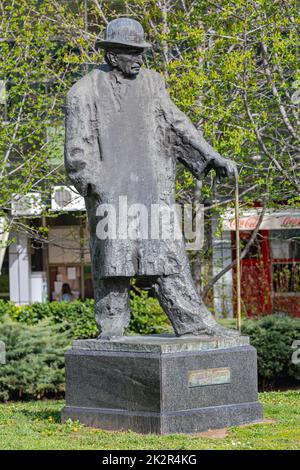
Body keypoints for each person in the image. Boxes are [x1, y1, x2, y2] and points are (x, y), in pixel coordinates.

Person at [65, 18, 238, 340]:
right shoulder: (83, 92)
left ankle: (193, 323)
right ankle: (111, 324)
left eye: (141, 52)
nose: (139, 59)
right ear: (112, 56)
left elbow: (177, 123)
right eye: (132, 53)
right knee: (113, 262)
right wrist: (92, 183)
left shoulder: (152, 83)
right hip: (112, 192)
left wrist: (211, 156)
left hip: (151, 188)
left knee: (167, 256)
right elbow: (77, 148)